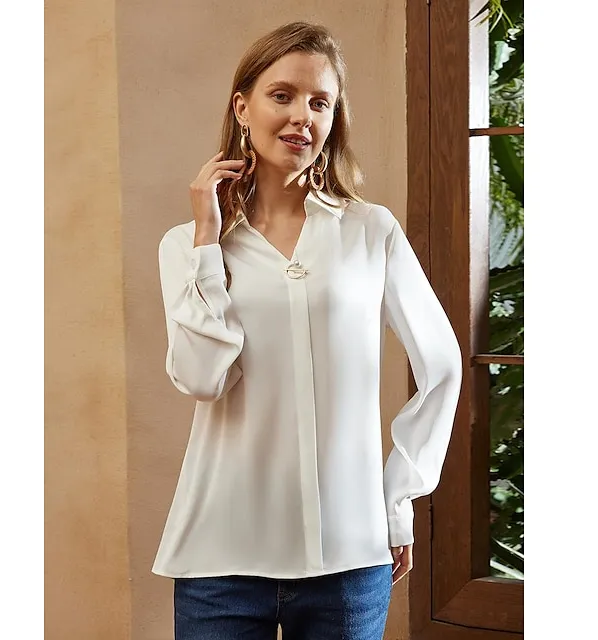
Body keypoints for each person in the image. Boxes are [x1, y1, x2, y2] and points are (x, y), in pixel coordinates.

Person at [153, 20, 462, 640]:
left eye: (321, 102)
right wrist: (209, 241)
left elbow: (443, 366)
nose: (302, 116)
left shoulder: (371, 231)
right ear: (242, 107)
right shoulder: (186, 246)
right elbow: (202, 378)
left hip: (347, 556)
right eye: (282, 95)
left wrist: (396, 500)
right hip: (220, 555)